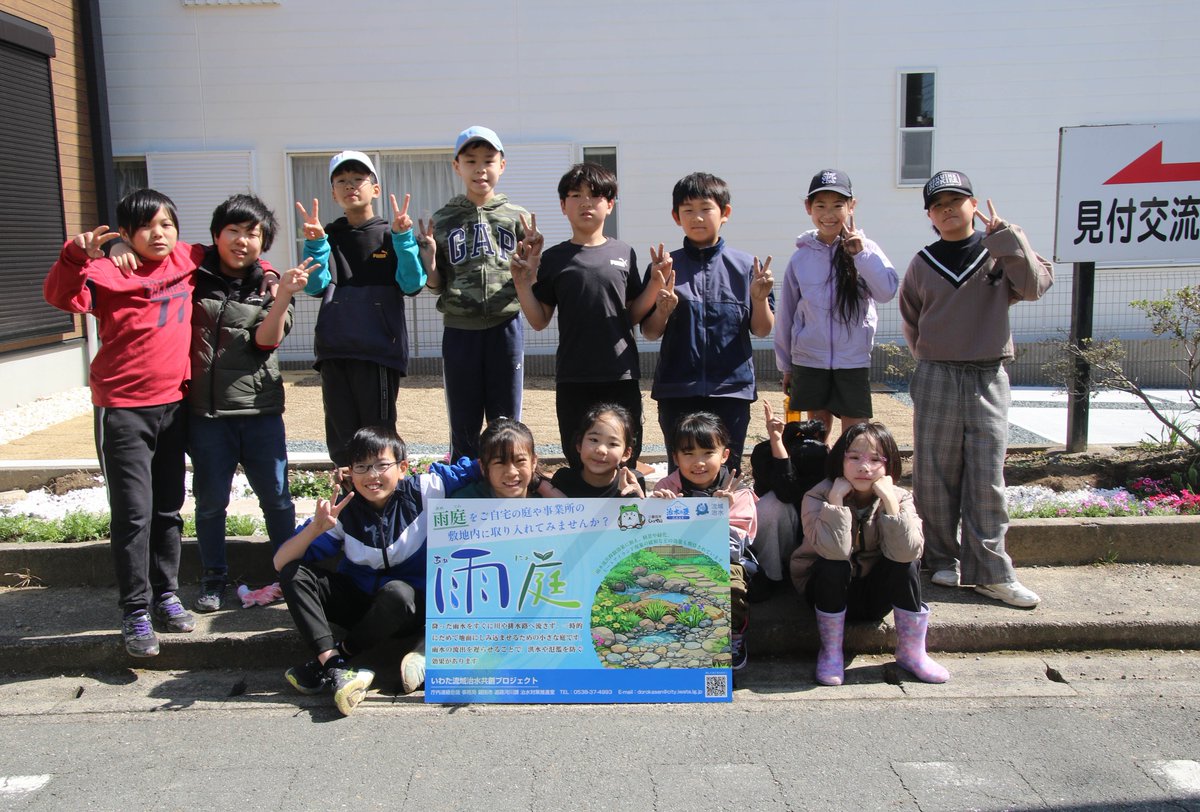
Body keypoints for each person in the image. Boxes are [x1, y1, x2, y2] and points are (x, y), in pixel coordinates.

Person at [43, 189, 210, 658]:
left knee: (168, 509)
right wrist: (79, 253)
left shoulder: (189, 258)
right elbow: (60, 296)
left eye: (167, 224)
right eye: (146, 226)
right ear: (128, 232)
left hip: (174, 407)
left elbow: (239, 257)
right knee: (133, 513)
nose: (159, 234)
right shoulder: (106, 271)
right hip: (122, 408)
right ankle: (135, 610)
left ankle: (167, 594)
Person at [899, 170, 1053, 608]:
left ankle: (991, 570)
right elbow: (912, 319)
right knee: (934, 473)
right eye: (938, 204)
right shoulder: (923, 262)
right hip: (937, 374)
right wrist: (931, 357)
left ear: (973, 204)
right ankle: (940, 560)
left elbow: (1036, 286)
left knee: (987, 476)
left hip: (988, 374)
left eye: (956, 200)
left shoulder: (998, 252)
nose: (948, 209)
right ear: (930, 215)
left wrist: (1008, 239)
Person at [275, 426, 482, 714]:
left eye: (382, 465)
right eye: (361, 466)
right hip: (361, 605)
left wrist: (540, 484)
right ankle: (333, 665)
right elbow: (281, 562)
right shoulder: (344, 510)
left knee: (396, 593)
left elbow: (480, 466)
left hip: (410, 608)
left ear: (402, 467)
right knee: (294, 573)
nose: (372, 475)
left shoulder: (426, 490)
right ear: (349, 471)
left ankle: (340, 657)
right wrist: (315, 529)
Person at [188, 194, 313, 612]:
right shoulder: (192, 274)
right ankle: (213, 578)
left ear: (264, 242)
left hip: (259, 412)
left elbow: (266, 341)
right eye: (234, 231)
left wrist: (282, 296)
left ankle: (289, 573)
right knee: (210, 502)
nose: (242, 240)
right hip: (206, 415)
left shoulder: (273, 285)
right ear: (216, 235)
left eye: (253, 233)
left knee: (277, 498)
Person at [513, 163, 660, 468]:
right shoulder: (553, 258)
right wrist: (522, 283)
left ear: (610, 204)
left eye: (594, 196)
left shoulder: (624, 253)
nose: (585, 202)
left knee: (624, 453)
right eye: (575, 195)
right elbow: (539, 320)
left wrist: (656, 285)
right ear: (563, 206)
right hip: (574, 376)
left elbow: (630, 314)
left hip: (620, 373)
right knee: (579, 453)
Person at [791, 421, 949, 686]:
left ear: (889, 466)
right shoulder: (817, 496)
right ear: (840, 461)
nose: (864, 467)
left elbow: (909, 551)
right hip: (825, 592)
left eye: (875, 459)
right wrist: (837, 502)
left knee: (906, 563)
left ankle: (912, 653)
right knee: (833, 565)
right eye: (854, 457)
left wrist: (889, 504)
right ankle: (830, 652)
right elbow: (833, 552)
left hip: (875, 595)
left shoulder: (900, 497)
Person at [296, 150, 428, 467]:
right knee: (342, 441)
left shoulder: (389, 234)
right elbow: (315, 286)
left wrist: (404, 238)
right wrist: (314, 244)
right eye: (342, 180)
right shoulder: (327, 237)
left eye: (358, 179)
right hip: (334, 351)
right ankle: (349, 508)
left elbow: (412, 284)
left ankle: (386, 504)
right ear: (333, 192)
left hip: (377, 352)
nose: (350, 186)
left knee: (377, 439)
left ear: (375, 189)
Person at [641, 172, 774, 474]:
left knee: (728, 474)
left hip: (731, 391)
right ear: (676, 217)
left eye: (705, 208)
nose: (697, 217)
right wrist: (662, 309)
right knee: (682, 474)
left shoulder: (746, 267)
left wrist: (759, 298)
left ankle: (729, 523)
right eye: (688, 210)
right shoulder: (665, 266)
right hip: (677, 390)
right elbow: (649, 332)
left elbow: (763, 328)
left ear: (725, 213)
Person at [425, 126, 543, 461]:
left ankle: (506, 488)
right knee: (463, 421)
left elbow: (532, 278)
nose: (480, 169)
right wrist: (429, 261)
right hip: (459, 329)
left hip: (506, 326)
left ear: (502, 165)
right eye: (471, 160)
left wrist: (534, 264)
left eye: (489, 160)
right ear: (456, 166)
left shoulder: (516, 217)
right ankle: (465, 489)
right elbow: (435, 283)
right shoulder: (443, 219)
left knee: (506, 420)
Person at [774, 169, 899, 445]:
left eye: (837, 205)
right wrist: (786, 366)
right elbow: (787, 315)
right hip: (810, 359)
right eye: (820, 205)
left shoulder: (867, 249)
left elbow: (887, 291)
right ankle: (818, 482)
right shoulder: (801, 257)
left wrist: (861, 256)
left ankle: (852, 483)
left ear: (852, 206)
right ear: (808, 208)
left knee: (855, 435)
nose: (828, 214)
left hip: (852, 359)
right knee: (815, 434)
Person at [651, 412, 757, 670]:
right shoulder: (667, 487)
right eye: (688, 454)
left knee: (732, 583)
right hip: (674, 558)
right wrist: (655, 509)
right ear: (675, 458)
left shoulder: (739, 493)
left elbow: (733, 549)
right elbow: (651, 539)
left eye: (707, 452)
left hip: (725, 561)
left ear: (724, 455)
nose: (698, 462)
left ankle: (734, 635)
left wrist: (719, 513)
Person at [748, 406, 827, 585]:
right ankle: (770, 576)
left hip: (816, 541)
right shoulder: (765, 453)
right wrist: (777, 444)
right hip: (783, 537)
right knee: (770, 506)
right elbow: (786, 493)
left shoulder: (824, 457)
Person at [550, 404, 647, 498]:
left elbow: (642, 513)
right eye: (594, 440)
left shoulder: (632, 481)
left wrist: (643, 499)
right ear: (579, 444)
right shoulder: (564, 480)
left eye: (613, 444)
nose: (601, 450)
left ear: (626, 453)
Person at [455, 417, 561, 499]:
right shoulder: (463, 502)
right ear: (483, 467)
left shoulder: (549, 504)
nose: (511, 472)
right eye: (499, 462)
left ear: (533, 462)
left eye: (520, 461)